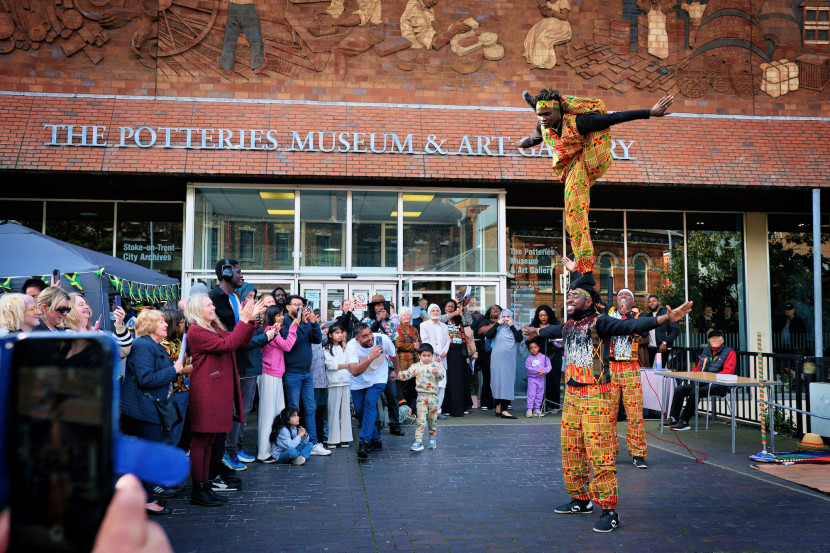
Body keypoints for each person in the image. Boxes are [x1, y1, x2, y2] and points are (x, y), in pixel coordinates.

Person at [523, 271, 691, 533]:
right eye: (569, 294)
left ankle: (610, 510)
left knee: (599, 453)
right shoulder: (568, 326)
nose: (569, 297)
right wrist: (535, 330)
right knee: (571, 450)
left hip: (596, 394)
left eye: (574, 295)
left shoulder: (601, 322)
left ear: (588, 302)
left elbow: (631, 326)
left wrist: (665, 318)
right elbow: (550, 330)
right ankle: (580, 500)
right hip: (572, 396)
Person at [515, 89, 673, 274]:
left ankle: (584, 267)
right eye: (539, 114)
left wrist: (650, 112)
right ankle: (582, 264)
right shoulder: (544, 126)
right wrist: (524, 143)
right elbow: (536, 137)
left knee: (574, 211)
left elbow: (615, 117)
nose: (542, 118)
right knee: (572, 215)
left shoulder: (581, 122)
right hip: (573, 164)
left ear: (559, 111)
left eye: (547, 114)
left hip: (592, 158)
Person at [184, 292, 266, 506]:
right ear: (196, 309)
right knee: (201, 442)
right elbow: (227, 344)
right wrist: (245, 320)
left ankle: (205, 485)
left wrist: (249, 323)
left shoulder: (212, 328)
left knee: (210, 442)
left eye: (212, 304)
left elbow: (238, 341)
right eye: (208, 304)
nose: (213, 307)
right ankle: (198, 490)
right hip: (206, 392)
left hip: (216, 391)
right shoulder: (196, 330)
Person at [120, 309, 188, 515]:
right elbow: (146, 379)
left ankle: (145, 497)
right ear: (149, 325)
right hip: (142, 411)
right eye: (161, 321)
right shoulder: (143, 345)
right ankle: (146, 500)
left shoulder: (152, 345)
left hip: (149, 409)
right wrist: (175, 370)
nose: (166, 324)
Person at [281, 295, 330, 456]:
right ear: (288, 307)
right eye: (297, 305)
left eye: (302, 305)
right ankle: (293, 443)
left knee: (310, 408)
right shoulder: (286, 322)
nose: (301, 308)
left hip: (306, 373)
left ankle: (313, 443)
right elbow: (293, 341)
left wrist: (314, 322)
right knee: (293, 410)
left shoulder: (305, 322)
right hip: (292, 373)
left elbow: (316, 339)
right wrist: (302, 323)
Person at [606, 287, 649, 469]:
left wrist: (628, 315)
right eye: (620, 295)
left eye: (627, 296)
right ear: (616, 300)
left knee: (635, 413)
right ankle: (609, 452)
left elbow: (645, 335)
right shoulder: (607, 316)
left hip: (630, 367)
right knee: (609, 413)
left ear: (632, 301)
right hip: (611, 367)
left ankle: (638, 453)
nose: (623, 297)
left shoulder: (637, 319)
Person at [345, 323, 400, 458]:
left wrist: (396, 371)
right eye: (365, 336)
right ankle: (376, 437)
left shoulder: (382, 339)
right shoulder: (351, 346)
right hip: (358, 381)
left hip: (378, 378)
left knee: (370, 403)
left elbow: (394, 355)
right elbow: (354, 371)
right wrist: (370, 357)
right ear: (357, 339)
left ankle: (364, 440)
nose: (370, 338)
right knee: (359, 411)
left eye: (370, 333)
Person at [669, 329, 735, 431]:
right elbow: (699, 368)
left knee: (695, 392)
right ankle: (673, 418)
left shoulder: (730, 352)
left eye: (717, 338)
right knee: (679, 389)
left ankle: (684, 421)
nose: (714, 340)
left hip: (720, 385)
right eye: (712, 338)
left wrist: (710, 377)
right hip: (703, 382)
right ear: (709, 341)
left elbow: (728, 372)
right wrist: (689, 373)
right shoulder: (707, 350)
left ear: (722, 340)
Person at [157, 308, 192, 497]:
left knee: (176, 437)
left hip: (182, 392)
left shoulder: (178, 341)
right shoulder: (162, 345)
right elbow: (171, 370)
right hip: (172, 394)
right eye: (180, 323)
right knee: (168, 437)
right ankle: (161, 480)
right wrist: (189, 368)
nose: (184, 325)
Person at [257, 304, 299, 462]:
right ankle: (263, 453)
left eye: (282, 315)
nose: (282, 317)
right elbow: (287, 346)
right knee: (268, 415)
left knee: (276, 413)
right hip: (269, 373)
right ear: (271, 317)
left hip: (274, 373)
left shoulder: (273, 329)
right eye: (278, 315)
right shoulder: (271, 330)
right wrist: (293, 328)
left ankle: (270, 450)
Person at [396, 343, 445, 451]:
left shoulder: (436, 365)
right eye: (424, 355)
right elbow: (406, 374)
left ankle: (432, 439)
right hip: (421, 396)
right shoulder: (416, 366)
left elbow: (441, 377)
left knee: (432, 419)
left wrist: (436, 374)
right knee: (420, 419)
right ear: (419, 356)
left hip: (433, 396)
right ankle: (418, 441)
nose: (426, 358)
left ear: (432, 355)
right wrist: (395, 375)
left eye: (429, 355)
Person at [487, 307, 523, 419]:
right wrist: (498, 323)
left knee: (507, 382)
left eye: (508, 317)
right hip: (497, 359)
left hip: (509, 361)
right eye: (504, 317)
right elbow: (488, 335)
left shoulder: (516, 328)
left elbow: (519, 338)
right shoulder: (497, 328)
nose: (506, 319)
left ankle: (505, 409)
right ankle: (498, 407)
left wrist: (512, 326)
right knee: (497, 381)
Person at [438, 298, 472, 417]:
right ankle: (447, 407)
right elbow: (440, 318)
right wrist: (454, 313)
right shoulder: (441, 319)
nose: (450, 308)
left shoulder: (458, 319)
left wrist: (464, 309)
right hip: (447, 351)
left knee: (460, 380)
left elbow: (469, 321)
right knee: (449, 380)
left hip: (460, 351)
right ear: (444, 308)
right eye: (448, 306)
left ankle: (460, 407)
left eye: (453, 306)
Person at [323, 322, 353, 448]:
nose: (340, 335)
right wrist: (346, 366)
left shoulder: (345, 348)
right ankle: (332, 439)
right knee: (333, 411)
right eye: (337, 333)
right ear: (330, 335)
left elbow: (350, 361)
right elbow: (330, 365)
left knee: (346, 411)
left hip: (346, 381)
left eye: (341, 333)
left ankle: (345, 438)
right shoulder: (326, 348)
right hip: (333, 383)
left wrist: (346, 365)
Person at [417, 303, 450, 419]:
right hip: (430, 359)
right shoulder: (424, 325)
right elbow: (426, 342)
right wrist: (438, 353)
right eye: (433, 311)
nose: (435, 312)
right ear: (429, 312)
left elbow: (447, 341)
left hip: (441, 360)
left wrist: (442, 354)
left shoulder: (444, 326)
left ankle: (438, 410)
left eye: (437, 310)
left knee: (442, 386)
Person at [531, 304, 563, 413]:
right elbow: (528, 339)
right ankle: (540, 405)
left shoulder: (556, 324)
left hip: (554, 355)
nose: (543, 318)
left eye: (545, 315)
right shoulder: (534, 325)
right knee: (539, 380)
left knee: (553, 379)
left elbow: (562, 337)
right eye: (540, 316)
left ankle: (554, 405)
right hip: (539, 356)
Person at [524, 0, 572, 69]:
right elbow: (547, 14)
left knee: (543, 37)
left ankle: (538, 62)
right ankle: (532, 55)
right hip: (550, 24)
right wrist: (544, 9)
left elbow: (564, 16)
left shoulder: (563, 1)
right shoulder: (549, 3)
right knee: (534, 32)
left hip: (561, 27)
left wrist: (553, 13)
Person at [395, 306, 421, 414]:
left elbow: (419, 341)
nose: (407, 317)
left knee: (413, 387)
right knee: (403, 387)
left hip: (415, 362)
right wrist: (413, 346)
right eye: (404, 315)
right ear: (400, 317)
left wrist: (419, 344)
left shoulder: (414, 329)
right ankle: (403, 409)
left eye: (408, 315)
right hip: (403, 362)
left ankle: (412, 409)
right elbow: (398, 344)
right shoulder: (397, 329)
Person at [474, 305, 500, 411]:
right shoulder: (484, 321)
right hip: (486, 353)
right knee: (488, 377)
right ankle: (486, 402)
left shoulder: (508, 322)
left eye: (498, 309)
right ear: (489, 312)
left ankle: (502, 402)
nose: (495, 311)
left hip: (500, 353)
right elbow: (481, 332)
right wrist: (497, 324)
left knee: (500, 378)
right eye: (493, 309)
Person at [643, 294, 680, 368]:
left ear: (658, 302)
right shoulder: (648, 316)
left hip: (662, 348)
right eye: (649, 302)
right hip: (650, 348)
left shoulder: (666, 314)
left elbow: (676, 330)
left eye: (654, 301)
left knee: (660, 371)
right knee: (650, 371)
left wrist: (665, 342)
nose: (651, 303)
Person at [525, 338, 552, 417]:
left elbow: (549, 366)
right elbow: (528, 368)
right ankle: (529, 410)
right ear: (529, 350)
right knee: (531, 394)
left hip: (541, 379)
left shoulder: (544, 357)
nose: (533, 349)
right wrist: (538, 370)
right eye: (531, 348)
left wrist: (544, 371)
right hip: (532, 379)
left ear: (538, 348)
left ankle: (537, 409)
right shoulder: (529, 359)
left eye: (535, 347)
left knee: (539, 394)